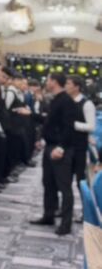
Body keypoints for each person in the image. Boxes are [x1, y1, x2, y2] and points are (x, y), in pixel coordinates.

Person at [30, 72, 77, 236]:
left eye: (48, 79)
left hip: (60, 148)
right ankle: (48, 215)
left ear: (54, 82)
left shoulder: (66, 101)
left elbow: (69, 127)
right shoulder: (56, 99)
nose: (46, 82)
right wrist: (42, 138)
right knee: (48, 183)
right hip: (50, 146)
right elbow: (51, 122)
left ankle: (66, 223)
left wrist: (61, 148)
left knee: (64, 187)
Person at [65, 75, 96, 221]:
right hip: (66, 145)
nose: (66, 85)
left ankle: (86, 212)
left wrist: (73, 124)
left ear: (77, 87)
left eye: (68, 83)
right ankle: (65, 210)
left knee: (80, 181)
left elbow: (91, 126)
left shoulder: (87, 104)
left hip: (79, 147)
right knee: (64, 180)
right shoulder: (66, 101)